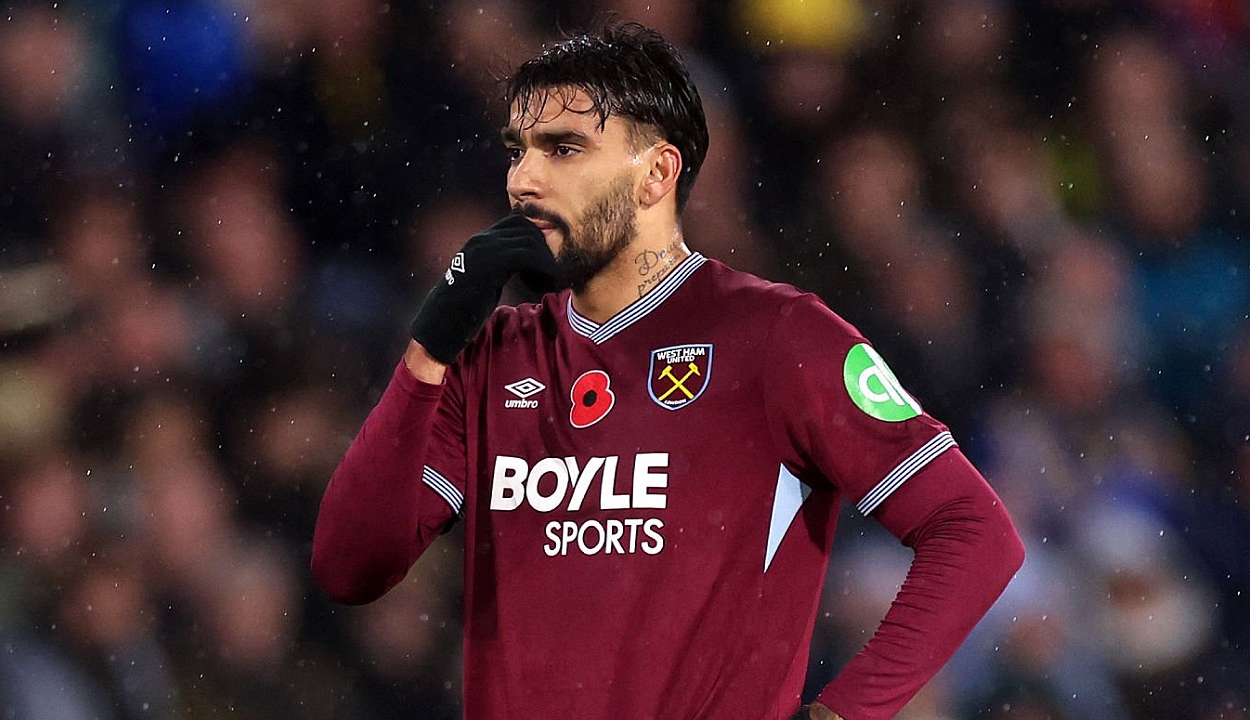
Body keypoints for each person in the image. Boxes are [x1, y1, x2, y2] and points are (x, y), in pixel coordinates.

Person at [311, 22, 1025, 720]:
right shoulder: (491, 356)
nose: (524, 179)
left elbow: (973, 531)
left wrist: (845, 713)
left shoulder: (777, 336)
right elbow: (350, 568)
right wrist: (429, 346)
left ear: (657, 172)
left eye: (563, 149)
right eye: (518, 151)